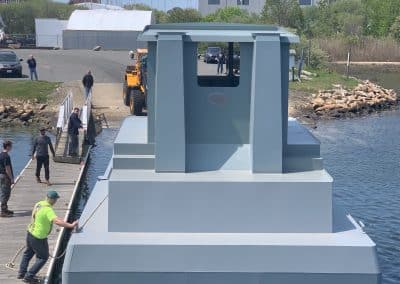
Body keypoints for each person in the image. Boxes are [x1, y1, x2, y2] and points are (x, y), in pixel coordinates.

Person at [18, 190, 78, 283]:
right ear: (53, 200)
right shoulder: (48, 210)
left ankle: (21, 273)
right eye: (56, 199)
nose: (56, 201)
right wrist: (70, 225)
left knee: (28, 253)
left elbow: (56, 218)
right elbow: (57, 221)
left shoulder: (39, 204)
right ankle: (29, 276)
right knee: (43, 257)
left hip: (30, 233)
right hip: (39, 237)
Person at [0, 140, 14, 217]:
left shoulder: (1, 154)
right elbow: (7, 168)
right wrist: (11, 178)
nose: (11, 147)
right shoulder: (6, 156)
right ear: (8, 146)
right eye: (11, 146)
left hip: (1, 175)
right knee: (6, 193)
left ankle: (5, 209)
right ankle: (3, 211)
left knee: (3, 192)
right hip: (5, 176)